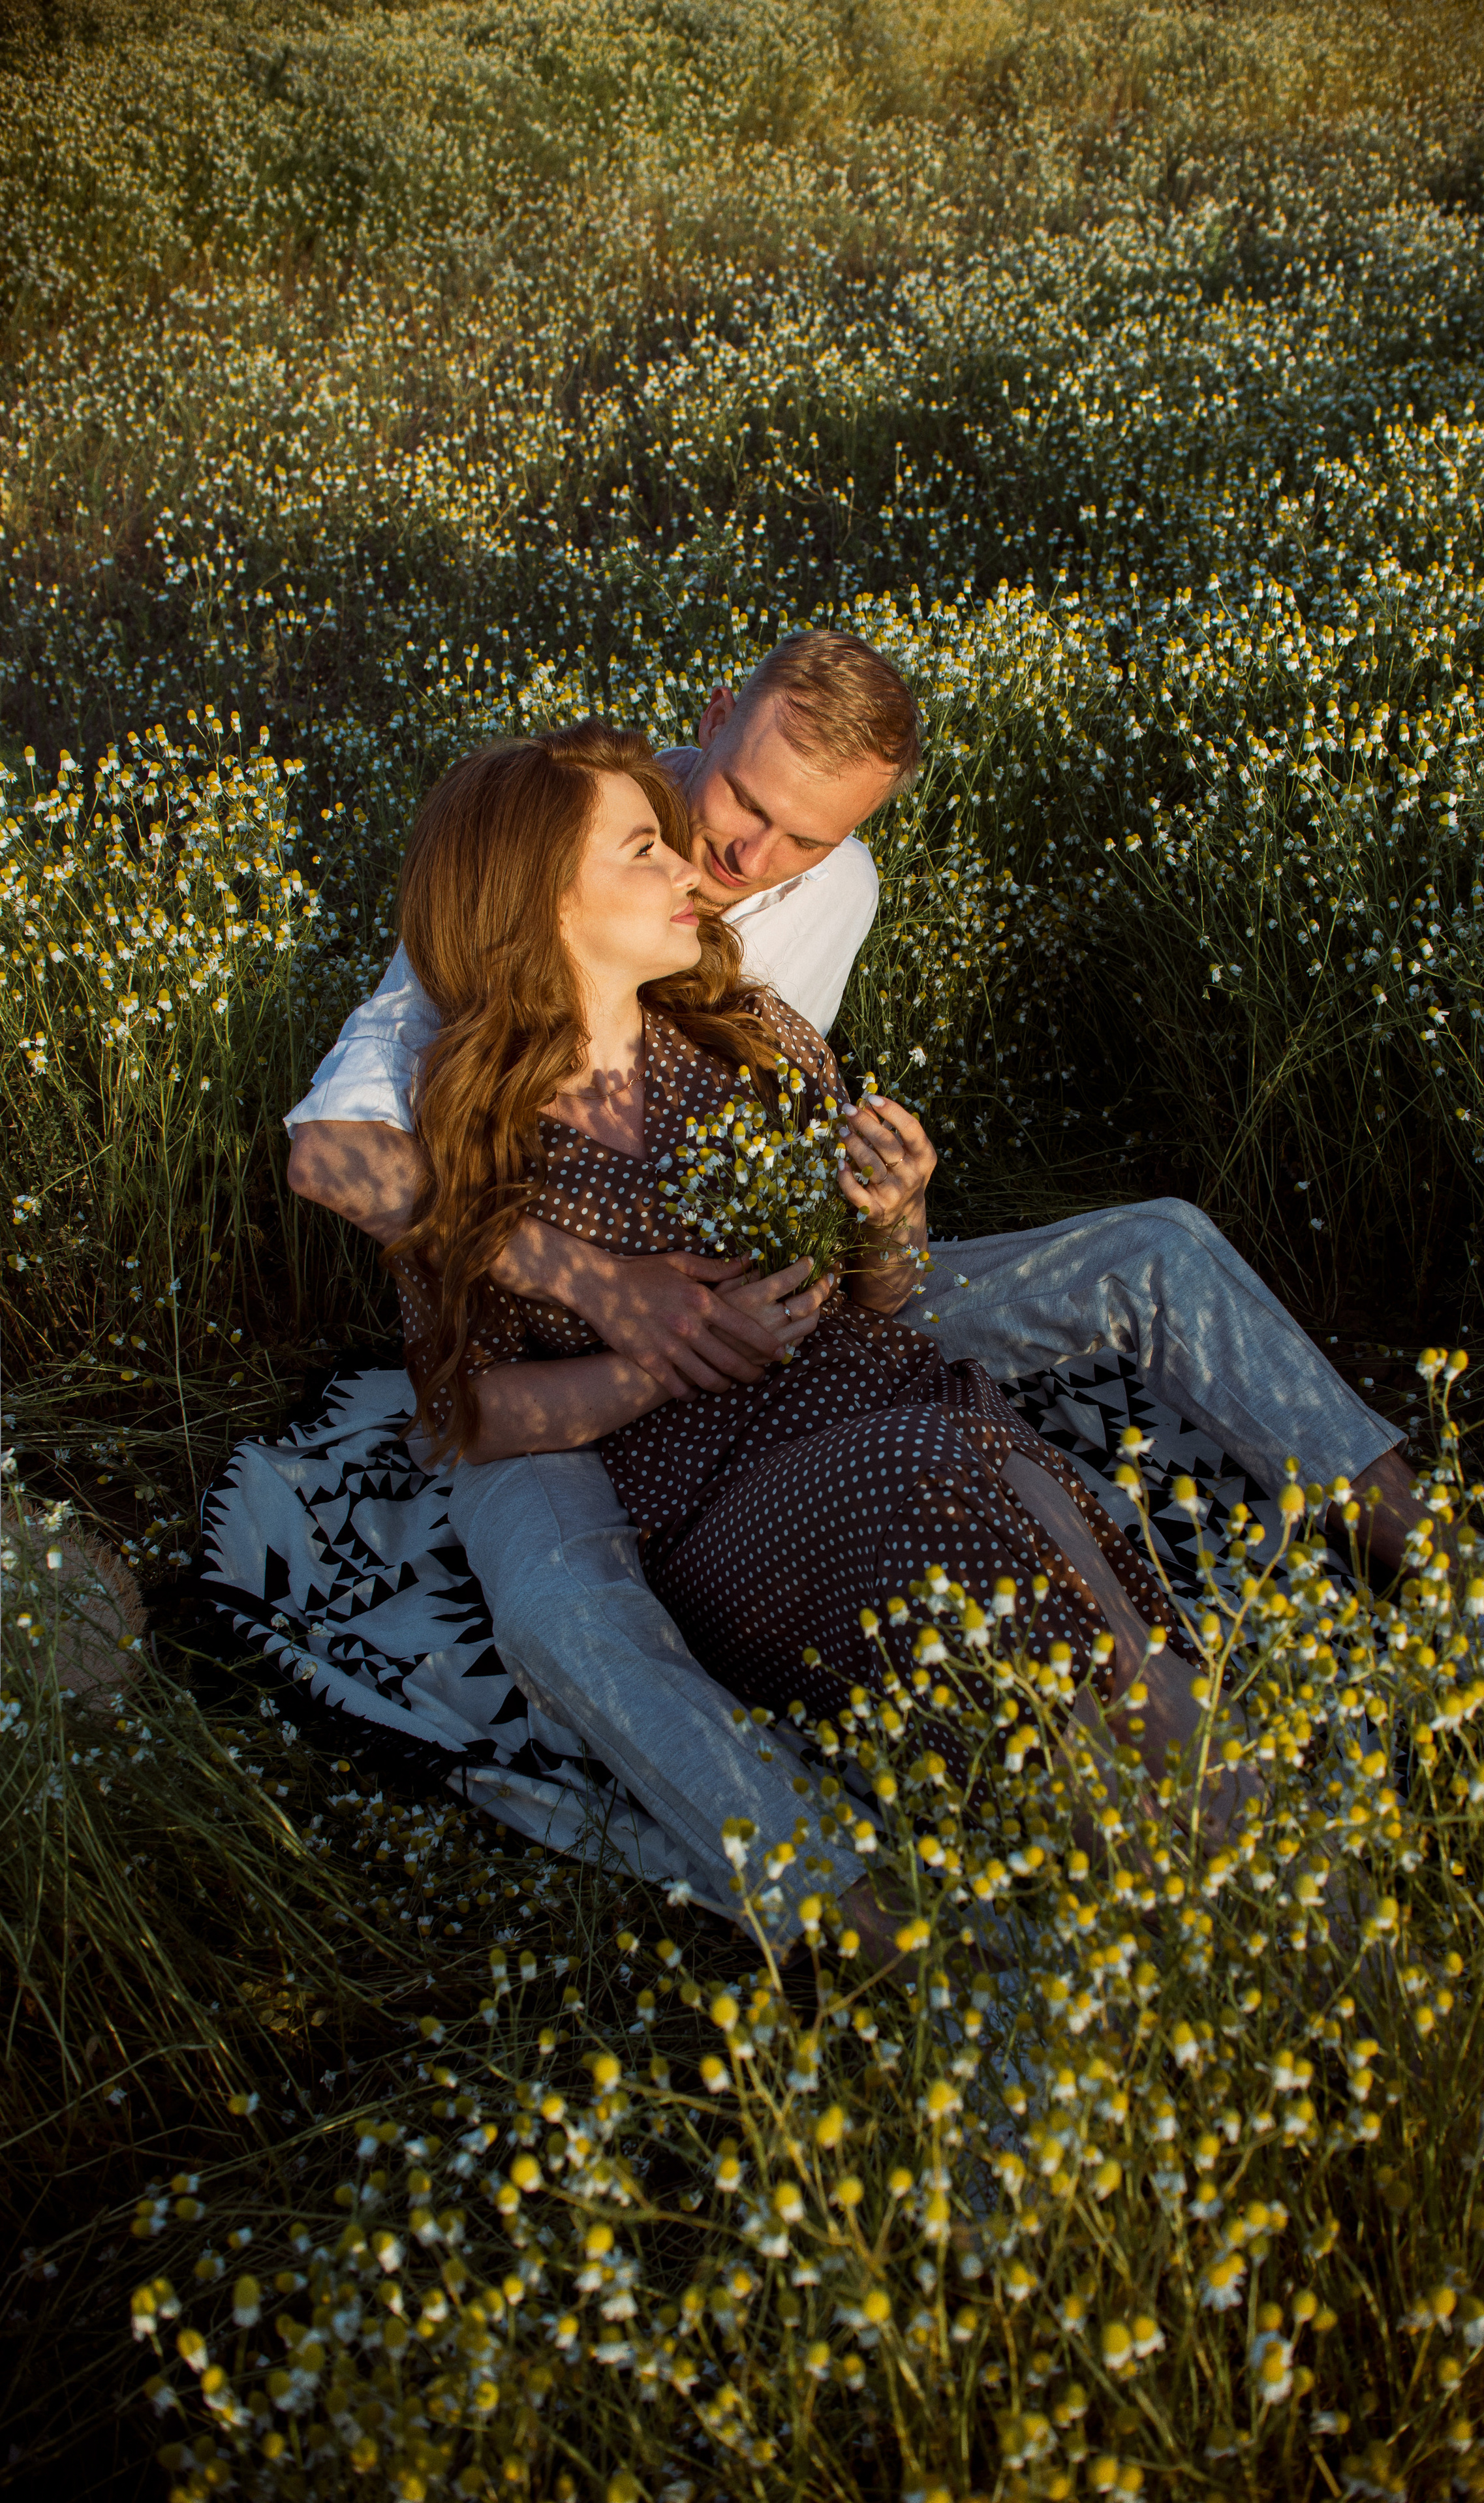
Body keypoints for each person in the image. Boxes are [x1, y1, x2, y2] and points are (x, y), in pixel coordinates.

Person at [384, 721, 1218, 1950]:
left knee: (1008, 1481)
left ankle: (1205, 1830)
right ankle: (1023, 1913)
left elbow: (880, 1297)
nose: (694, 875)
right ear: (539, 896)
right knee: (945, 1474)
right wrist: (654, 1358)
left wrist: (895, 1219)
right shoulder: (463, 1130)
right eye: (643, 853)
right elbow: (468, 1415)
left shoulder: (752, 1032)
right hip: (719, 1500)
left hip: (901, 1408)